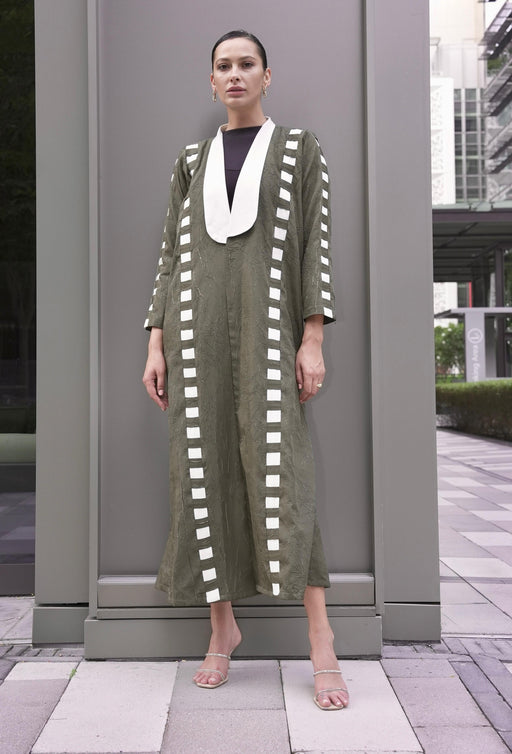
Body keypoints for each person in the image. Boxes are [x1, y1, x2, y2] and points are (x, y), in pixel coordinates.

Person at [142, 30, 349, 710]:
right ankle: (221, 629)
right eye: (223, 66)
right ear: (211, 82)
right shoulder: (190, 160)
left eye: (246, 64)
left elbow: (315, 243)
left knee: (282, 469)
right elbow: (170, 255)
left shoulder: (298, 148)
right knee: (201, 469)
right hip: (194, 328)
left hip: (269, 328)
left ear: (266, 75)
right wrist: (156, 343)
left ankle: (321, 638)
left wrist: (311, 337)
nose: (235, 74)